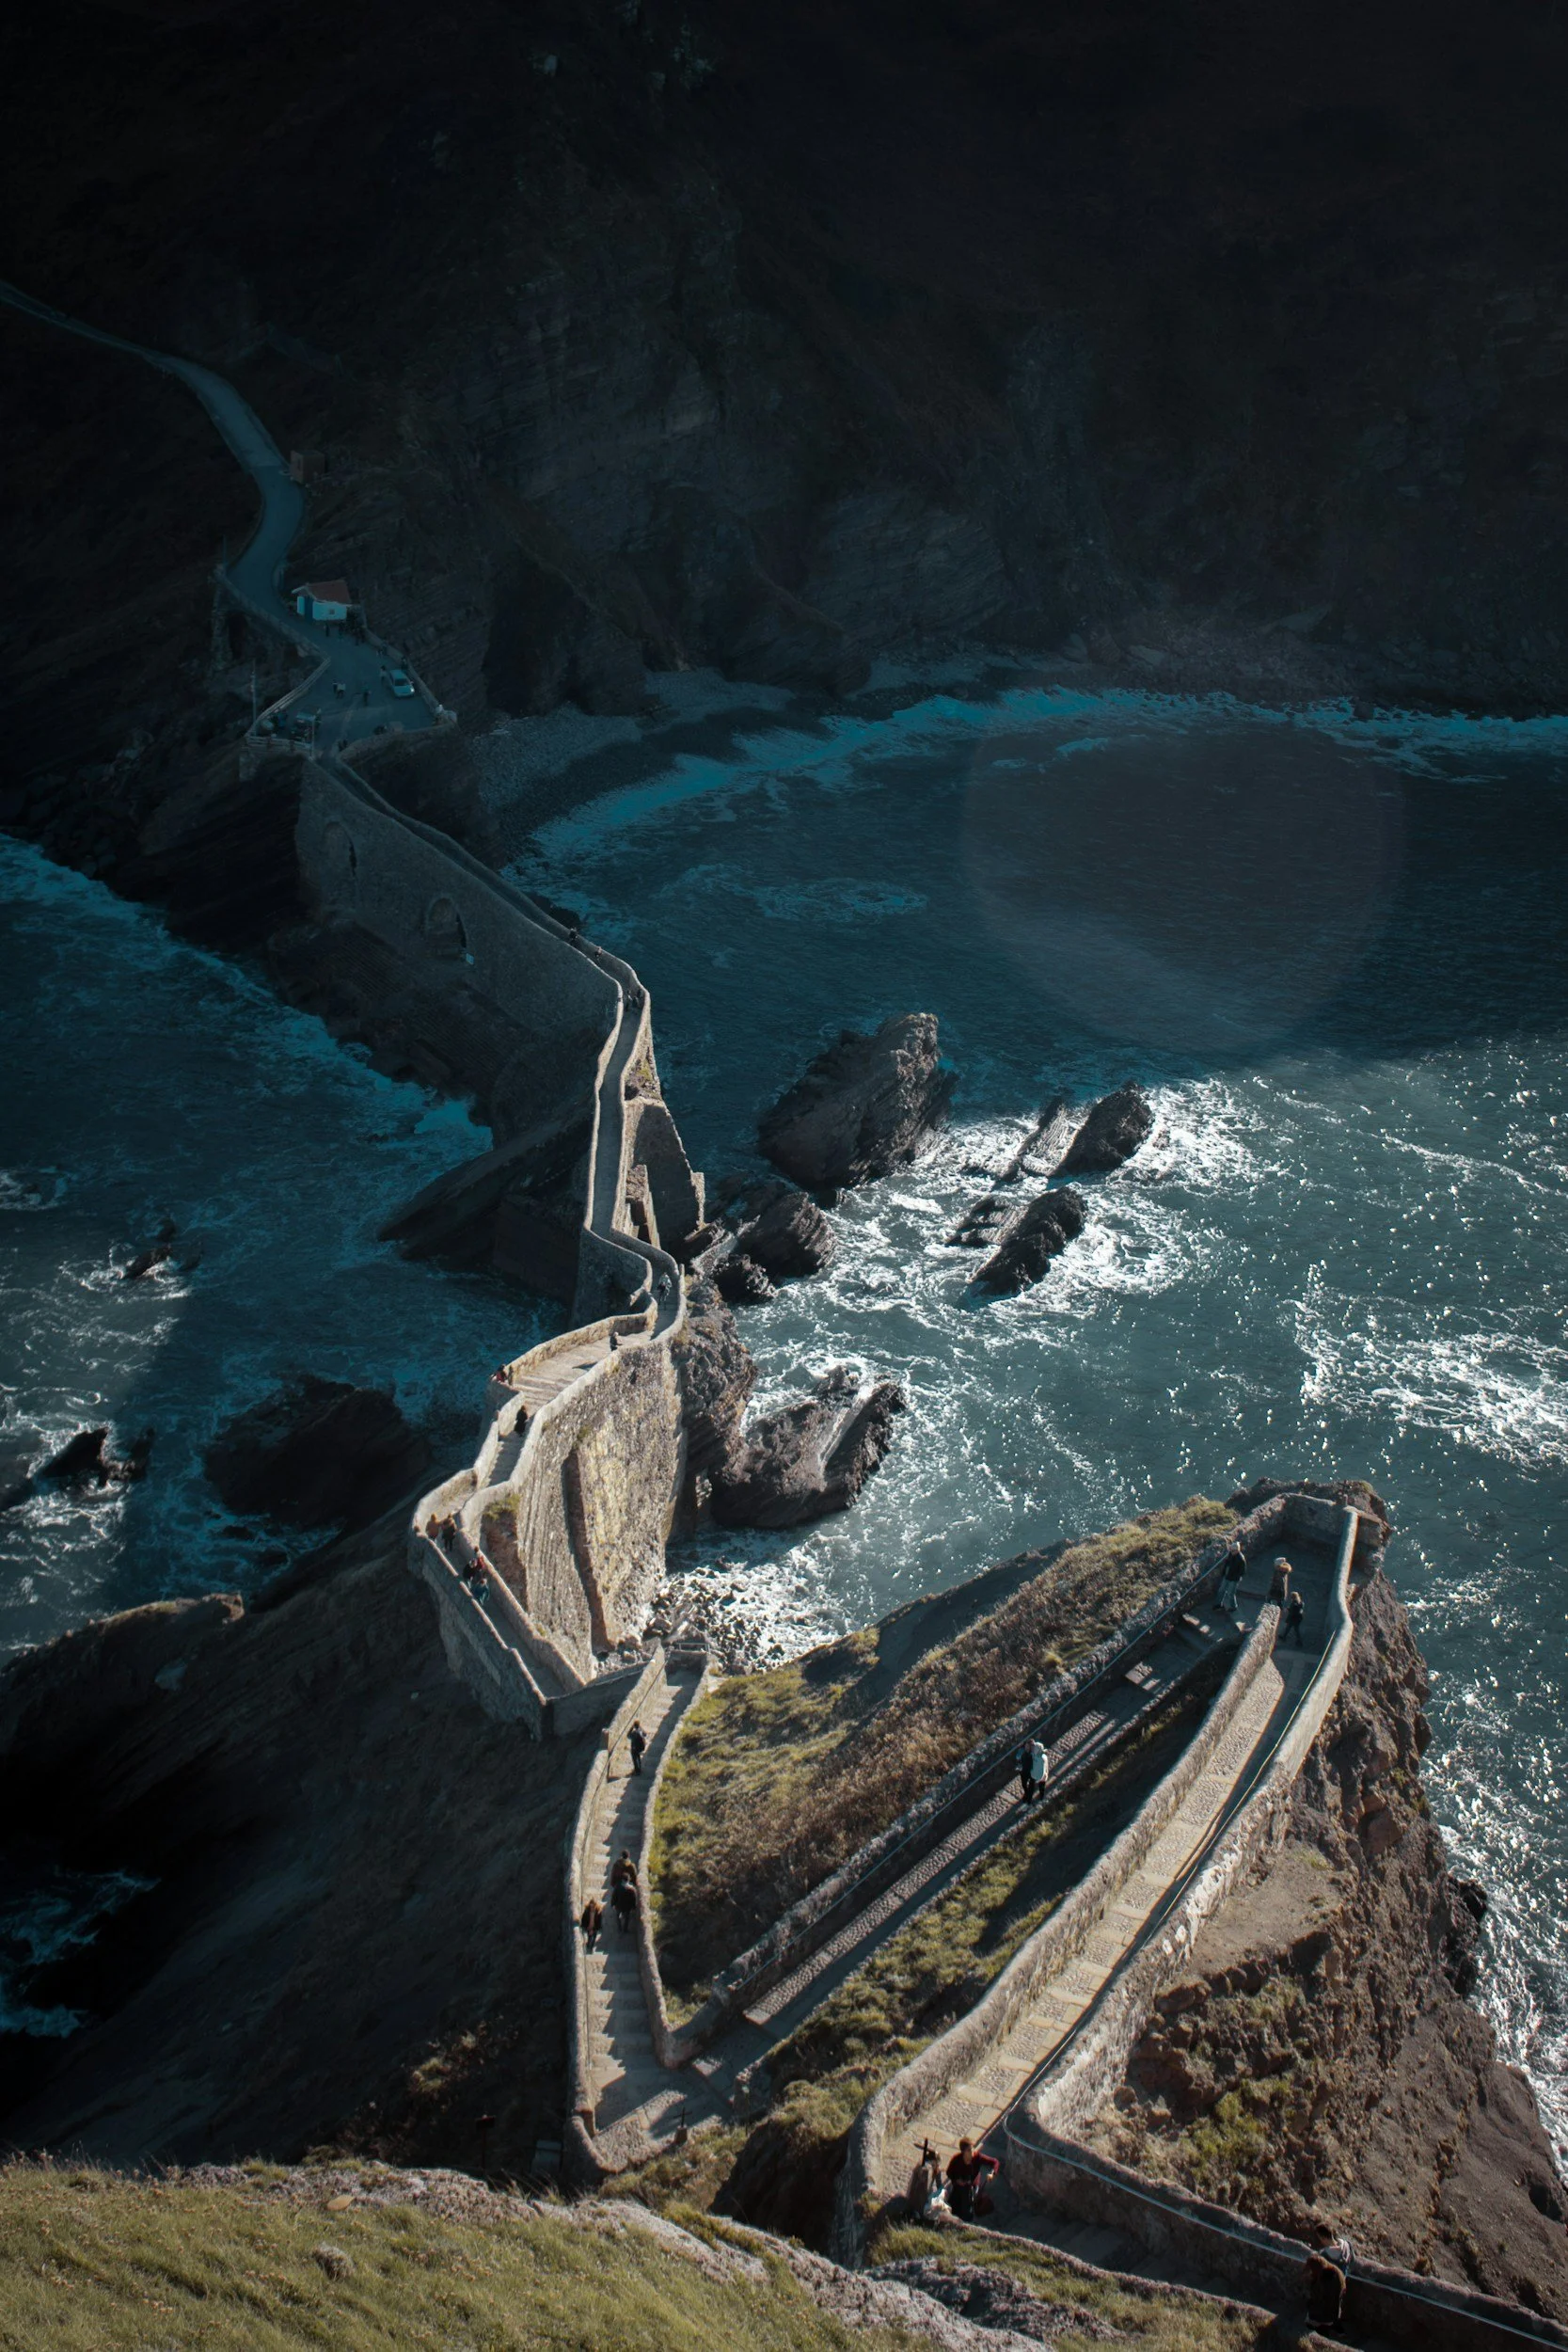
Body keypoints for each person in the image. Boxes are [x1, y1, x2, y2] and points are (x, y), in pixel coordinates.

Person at [1304, 2221, 1347, 2328]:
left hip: (1329, 2285)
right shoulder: (1346, 2247)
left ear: (1323, 2237)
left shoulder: (1324, 2255)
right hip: (1342, 2283)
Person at [944, 2137, 999, 2222]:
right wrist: (956, 2180)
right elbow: (949, 2172)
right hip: (959, 2185)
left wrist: (993, 2173)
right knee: (953, 2204)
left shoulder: (977, 2157)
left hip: (972, 2186)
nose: (972, 2152)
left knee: (967, 2209)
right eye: (969, 2150)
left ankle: (966, 2220)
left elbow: (995, 2162)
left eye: (972, 2148)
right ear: (963, 2152)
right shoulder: (956, 2160)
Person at [1026, 1737, 1049, 1803]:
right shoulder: (1031, 1750)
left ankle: (1041, 1797)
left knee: (1041, 1783)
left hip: (1040, 1769)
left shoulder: (1039, 1747)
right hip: (1035, 1769)